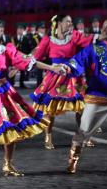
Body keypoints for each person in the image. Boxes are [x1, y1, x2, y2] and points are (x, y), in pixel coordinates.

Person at [0, 19, 65, 178]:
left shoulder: (7, 49)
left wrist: (52, 67)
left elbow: (28, 62)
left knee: (10, 127)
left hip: (3, 92)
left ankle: (8, 164)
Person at [31, 14, 98, 150]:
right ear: (59, 23)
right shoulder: (48, 40)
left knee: (81, 108)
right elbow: (36, 57)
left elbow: (89, 40)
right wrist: (20, 62)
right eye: (67, 21)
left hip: (73, 76)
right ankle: (48, 136)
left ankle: (83, 136)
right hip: (54, 77)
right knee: (50, 109)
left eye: (70, 21)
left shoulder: (74, 36)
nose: (70, 24)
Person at [65, 19, 107, 173]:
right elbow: (77, 61)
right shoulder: (94, 48)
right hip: (98, 96)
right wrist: (67, 67)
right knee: (83, 130)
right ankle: (73, 161)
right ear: (102, 30)